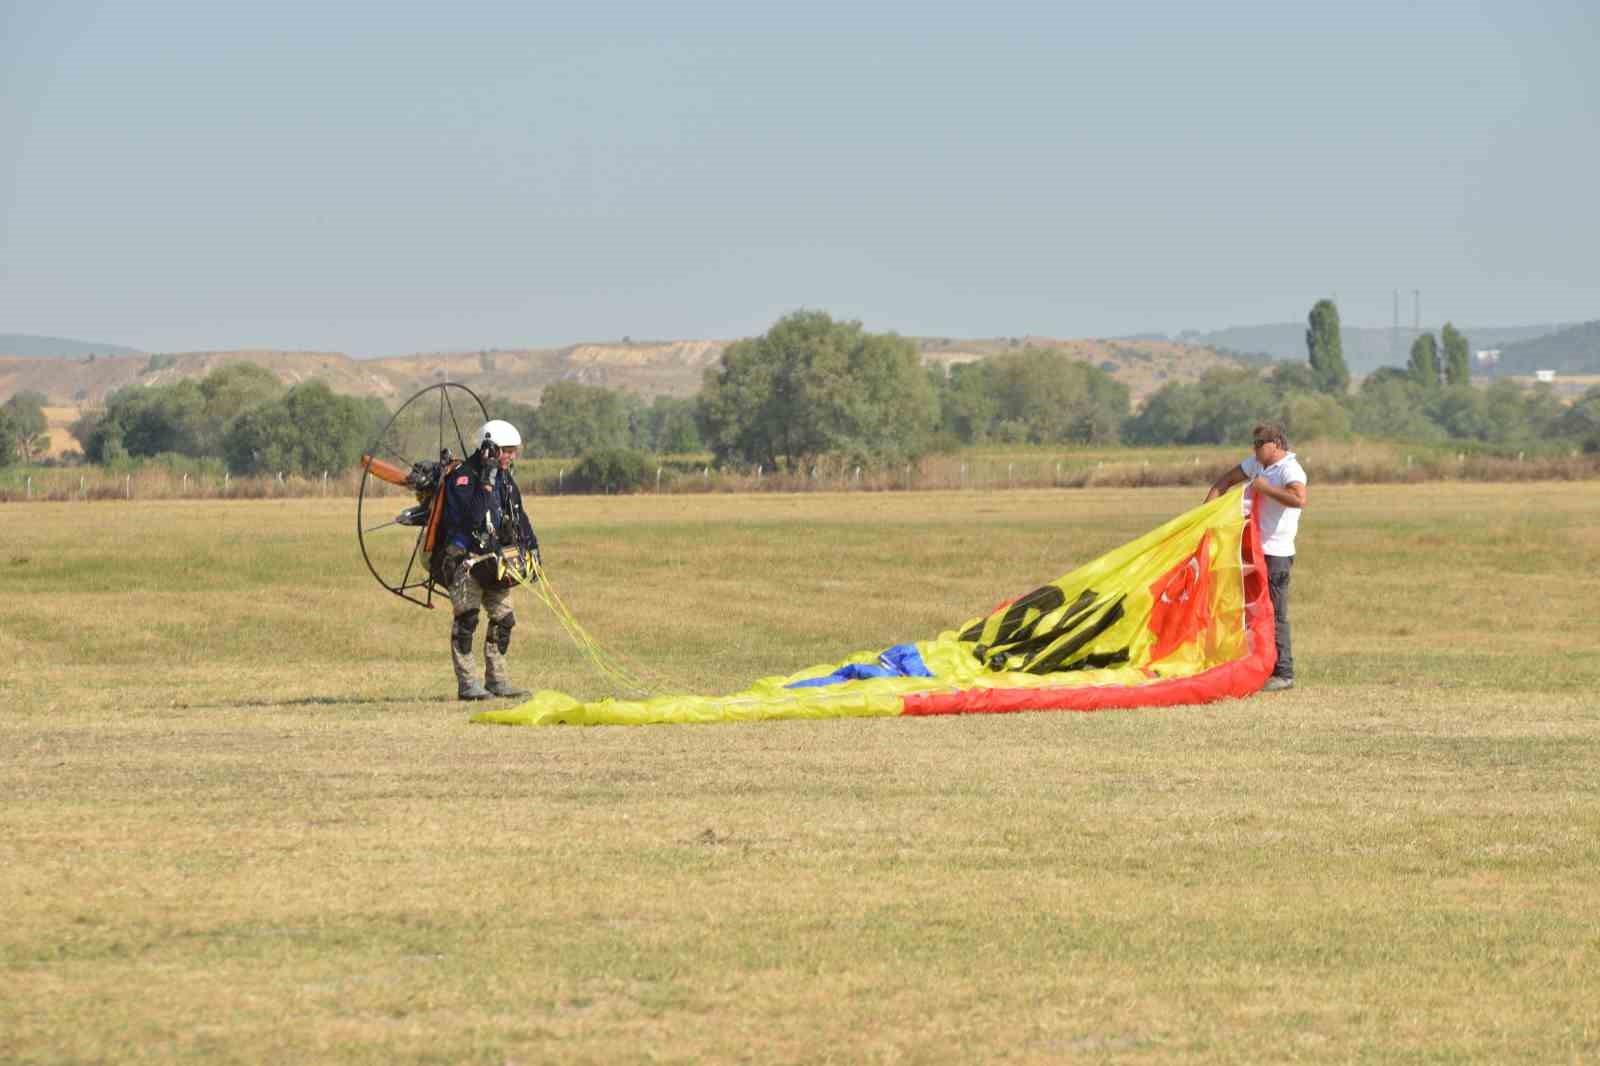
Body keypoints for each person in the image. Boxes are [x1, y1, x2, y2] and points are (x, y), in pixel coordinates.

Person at [435, 419, 540, 701]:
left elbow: (519, 514)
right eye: (507, 450)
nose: (512, 456)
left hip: (495, 561)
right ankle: (468, 684)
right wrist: (486, 482)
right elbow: (468, 520)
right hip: (465, 562)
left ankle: (497, 681)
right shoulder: (463, 478)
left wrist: (533, 549)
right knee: (467, 621)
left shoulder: (504, 477)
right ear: (489, 449)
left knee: (504, 620)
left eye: (513, 451)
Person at [1205, 422, 1307, 692]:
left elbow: (1299, 499)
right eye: (1254, 444)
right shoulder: (1256, 464)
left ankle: (1284, 672)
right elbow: (1224, 481)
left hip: (1276, 554)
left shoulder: (1290, 469)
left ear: (1275, 444)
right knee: (1249, 611)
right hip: (1251, 549)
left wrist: (1265, 489)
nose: (1254, 449)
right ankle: (1254, 666)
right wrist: (1204, 516)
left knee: (1275, 613)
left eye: (1259, 444)